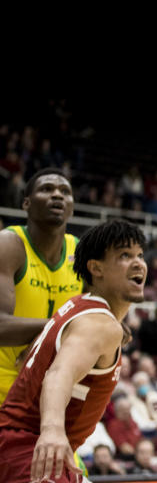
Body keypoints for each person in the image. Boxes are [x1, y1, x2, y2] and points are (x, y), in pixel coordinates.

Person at [0, 219, 148, 482]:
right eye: (124, 255)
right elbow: (58, 374)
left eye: (139, 255)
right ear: (96, 268)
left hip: (17, 445)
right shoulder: (100, 324)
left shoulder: (77, 306)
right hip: (31, 452)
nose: (138, 263)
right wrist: (53, 430)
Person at [0, 168, 81, 403]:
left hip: (49, 395)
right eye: (47, 189)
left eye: (65, 192)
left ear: (72, 207)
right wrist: (61, 327)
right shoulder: (9, 244)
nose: (57, 195)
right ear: (26, 203)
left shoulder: (80, 252)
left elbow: (98, 321)